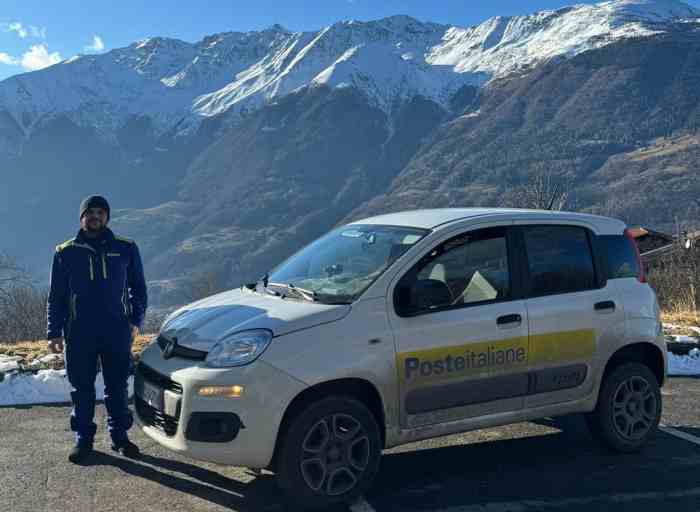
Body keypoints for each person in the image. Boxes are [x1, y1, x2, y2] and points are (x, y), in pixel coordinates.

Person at [47, 195, 148, 463]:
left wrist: (136, 321)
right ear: (81, 218)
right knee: (82, 388)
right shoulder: (65, 251)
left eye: (100, 212)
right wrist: (53, 332)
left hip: (116, 331)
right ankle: (83, 440)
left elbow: (138, 288)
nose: (95, 216)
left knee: (116, 386)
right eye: (89, 212)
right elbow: (56, 296)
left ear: (107, 217)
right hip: (79, 332)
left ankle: (120, 438)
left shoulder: (126, 248)